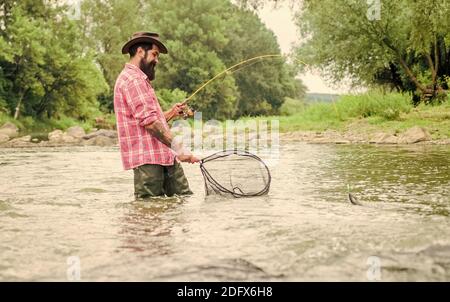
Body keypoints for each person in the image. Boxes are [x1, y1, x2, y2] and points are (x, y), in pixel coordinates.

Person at [114, 32, 199, 199]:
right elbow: (150, 123)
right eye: (154, 54)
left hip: (164, 156)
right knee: (149, 212)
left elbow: (149, 119)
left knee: (184, 200)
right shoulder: (133, 80)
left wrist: (172, 113)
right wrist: (179, 148)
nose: (157, 60)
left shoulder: (140, 79)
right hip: (148, 161)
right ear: (140, 51)